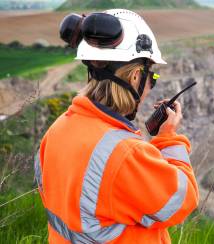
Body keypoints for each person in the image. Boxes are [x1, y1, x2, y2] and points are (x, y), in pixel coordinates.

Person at [34, 9, 199, 243]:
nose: (151, 86)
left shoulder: (57, 130)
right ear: (134, 78)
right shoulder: (125, 153)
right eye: (151, 78)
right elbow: (182, 201)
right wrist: (169, 138)